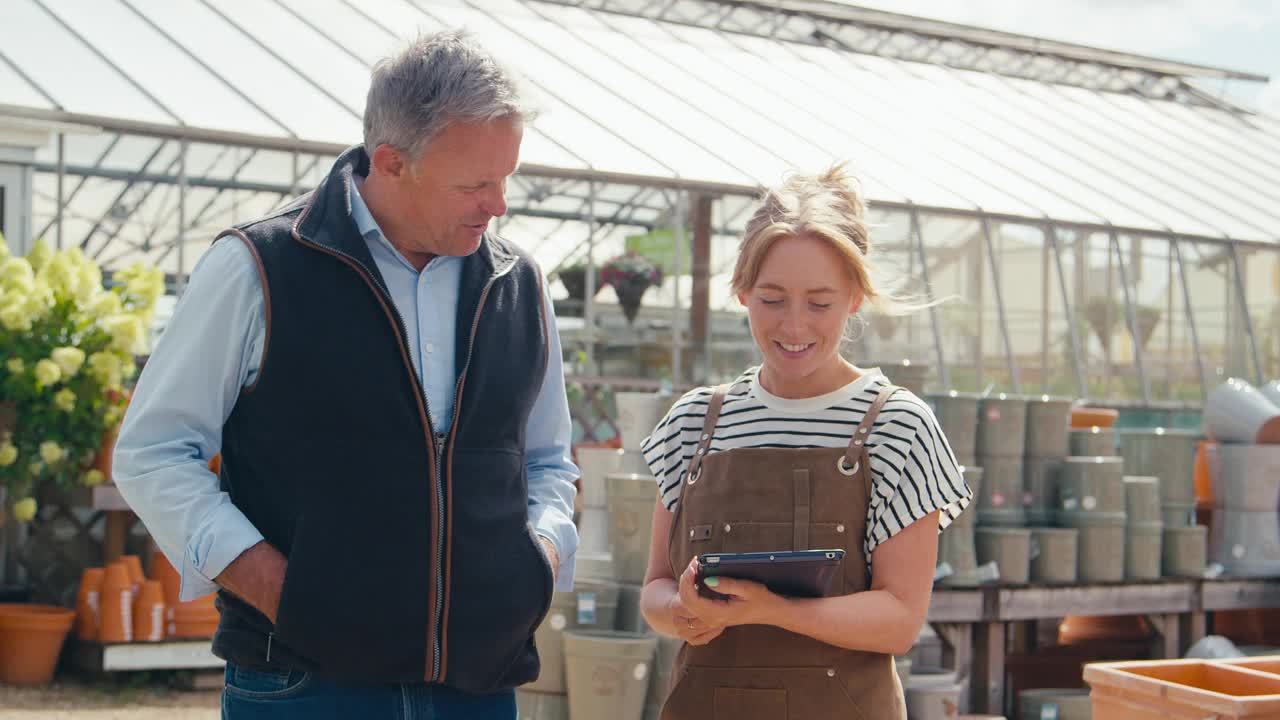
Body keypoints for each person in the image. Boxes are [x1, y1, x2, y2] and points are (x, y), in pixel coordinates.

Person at [113, 31, 578, 719]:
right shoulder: (258, 268)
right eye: (475, 184)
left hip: (480, 686)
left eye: (505, 178)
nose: (498, 203)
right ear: (391, 162)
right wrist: (278, 587)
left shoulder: (519, 284)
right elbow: (152, 453)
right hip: (306, 683)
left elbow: (546, 460)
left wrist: (538, 556)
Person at [638, 166, 971, 719]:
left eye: (820, 303)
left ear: (856, 298)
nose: (794, 327)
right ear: (741, 292)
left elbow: (900, 620)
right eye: (772, 299)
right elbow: (654, 588)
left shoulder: (897, 427)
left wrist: (772, 609)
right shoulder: (693, 423)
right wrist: (684, 611)